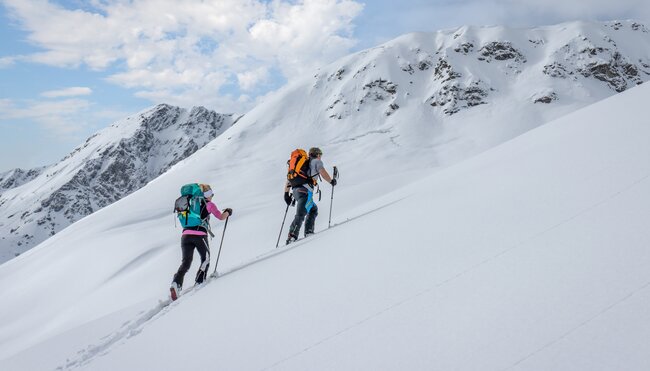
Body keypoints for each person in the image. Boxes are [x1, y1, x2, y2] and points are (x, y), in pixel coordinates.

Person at [170, 184, 232, 300]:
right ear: (207, 194)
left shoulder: (187, 204)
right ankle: (200, 281)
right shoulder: (209, 204)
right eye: (211, 194)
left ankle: (176, 283)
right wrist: (228, 212)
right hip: (199, 235)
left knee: (186, 262)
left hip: (185, 236)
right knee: (206, 258)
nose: (212, 196)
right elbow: (221, 217)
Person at [285, 147, 336, 244]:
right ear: (318, 155)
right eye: (320, 155)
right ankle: (292, 236)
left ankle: (308, 231)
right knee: (301, 214)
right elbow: (322, 171)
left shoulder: (300, 166)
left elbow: (288, 179)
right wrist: (331, 181)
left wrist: (286, 194)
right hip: (305, 191)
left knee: (313, 209)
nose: (320, 157)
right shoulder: (316, 161)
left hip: (296, 191)